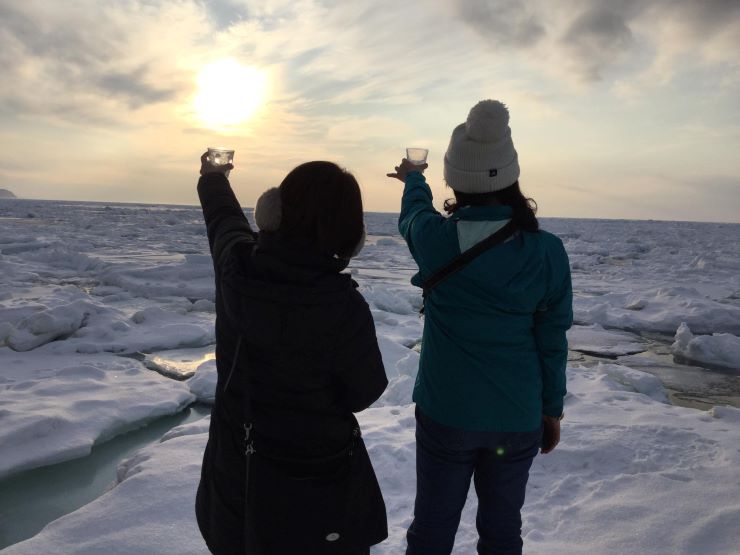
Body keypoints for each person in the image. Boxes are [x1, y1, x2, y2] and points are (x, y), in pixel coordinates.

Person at [387, 100, 572, 554]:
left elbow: (413, 215)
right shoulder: (546, 251)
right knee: (503, 531)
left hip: (446, 412)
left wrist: (414, 177)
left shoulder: (435, 240)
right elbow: (552, 340)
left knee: (432, 529)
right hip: (516, 416)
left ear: (453, 178)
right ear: (511, 176)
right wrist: (551, 409)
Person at [195, 154, 389, 555]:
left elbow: (224, 221)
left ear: (274, 213)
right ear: (350, 235)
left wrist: (213, 178)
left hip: (239, 473)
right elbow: (363, 392)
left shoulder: (236, 269)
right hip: (318, 484)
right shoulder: (343, 307)